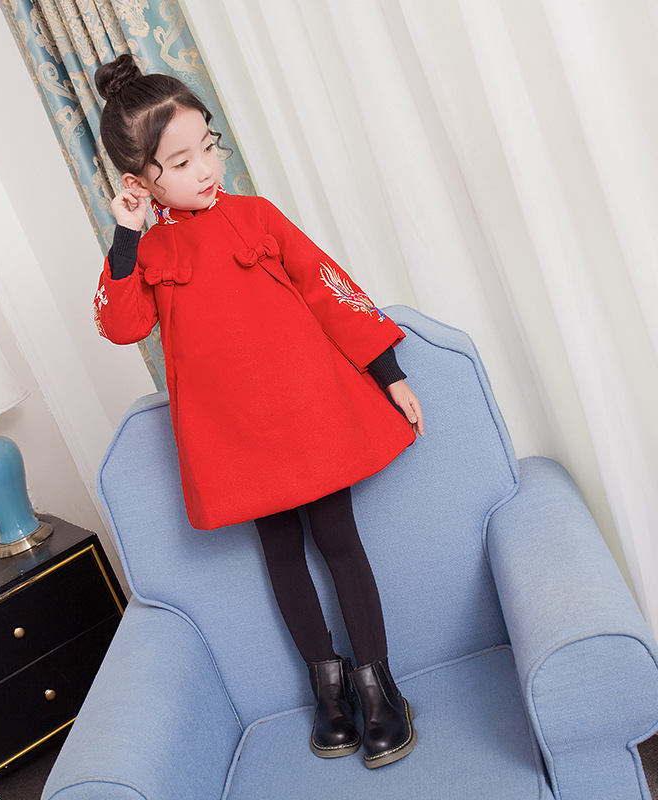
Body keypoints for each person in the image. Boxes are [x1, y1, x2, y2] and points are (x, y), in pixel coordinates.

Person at [92, 53, 423, 770]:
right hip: (235, 438)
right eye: (181, 162)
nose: (206, 169)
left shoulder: (256, 216)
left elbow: (329, 288)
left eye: (208, 147)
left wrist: (388, 372)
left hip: (308, 415)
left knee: (338, 538)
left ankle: (379, 687)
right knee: (280, 551)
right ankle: (328, 688)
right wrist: (125, 235)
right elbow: (120, 325)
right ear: (139, 181)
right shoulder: (148, 252)